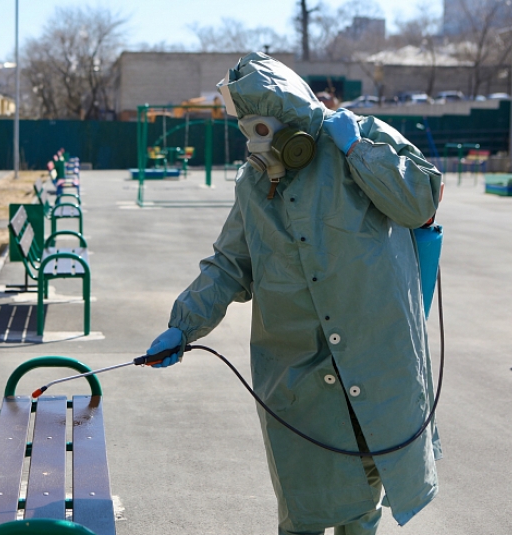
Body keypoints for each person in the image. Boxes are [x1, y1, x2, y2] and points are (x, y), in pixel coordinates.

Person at [146, 52, 442, 535]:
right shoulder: (253, 184)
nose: (255, 141)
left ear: (291, 117)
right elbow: (228, 265)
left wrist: (360, 152)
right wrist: (183, 324)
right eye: (246, 128)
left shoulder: (360, 138)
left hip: (374, 360)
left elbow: (421, 201)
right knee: (302, 509)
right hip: (299, 380)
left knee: (363, 506)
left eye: (262, 127)